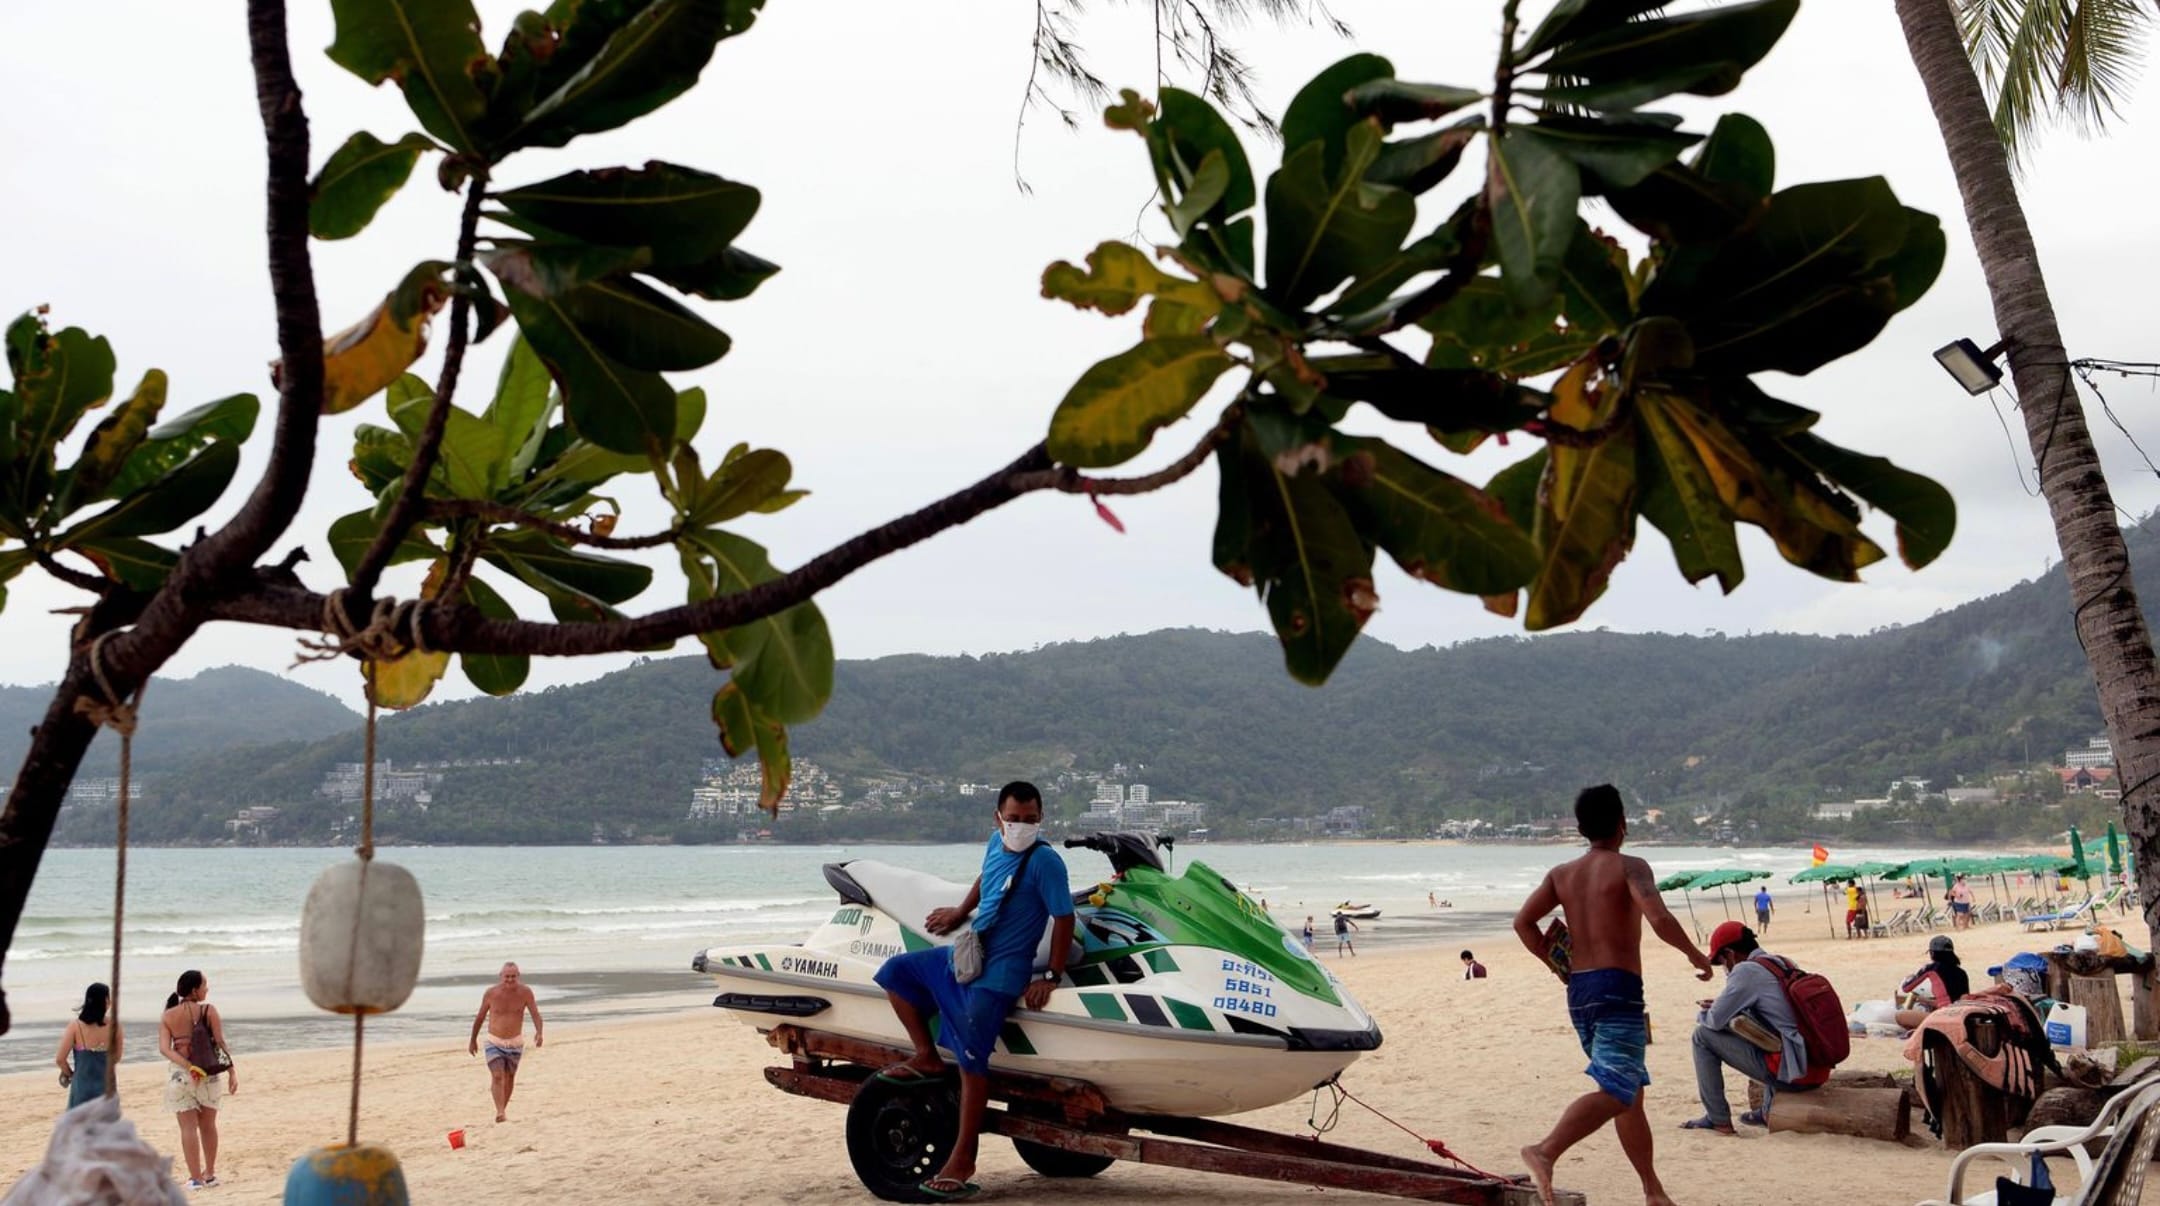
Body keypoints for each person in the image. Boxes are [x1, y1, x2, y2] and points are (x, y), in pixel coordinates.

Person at [872, 781, 1074, 1201]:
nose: (1022, 826)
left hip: (1001, 973)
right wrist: (961, 911)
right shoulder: (995, 842)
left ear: (1042, 818)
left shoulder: (1047, 862)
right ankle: (927, 1056)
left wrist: (1051, 977)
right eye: (1014, 818)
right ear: (998, 817)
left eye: (1031, 819)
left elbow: (1064, 917)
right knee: (896, 974)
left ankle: (963, 1157)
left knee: (972, 1061)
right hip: (969, 954)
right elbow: (989, 875)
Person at [1513, 785, 1712, 1206]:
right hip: (1619, 989)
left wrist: (1558, 964)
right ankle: (1545, 1151)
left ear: (1583, 828)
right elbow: (1658, 917)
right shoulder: (1630, 866)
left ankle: (1652, 1191)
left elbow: (1524, 924)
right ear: (1623, 824)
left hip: (1581, 992)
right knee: (1618, 1088)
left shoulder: (1561, 874)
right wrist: (1697, 955)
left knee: (1629, 1092)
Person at [1683, 922, 1808, 1135]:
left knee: (1702, 1036)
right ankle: (1767, 1109)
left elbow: (1713, 1022)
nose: (1724, 969)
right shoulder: (1781, 963)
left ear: (1730, 954)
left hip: (1792, 1073)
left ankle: (1717, 1119)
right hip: (1809, 1064)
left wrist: (1708, 1011)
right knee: (1764, 1031)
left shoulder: (1745, 971)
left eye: (1721, 962)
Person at [160, 970, 235, 1191]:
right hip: (209, 1073)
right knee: (209, 1125)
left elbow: (164, 1049)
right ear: (195, 990)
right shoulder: (209, 1010)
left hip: (181, 1075)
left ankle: (195, 1179)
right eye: (204, 985)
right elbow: (220, 1042)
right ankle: (210, 1174)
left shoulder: (168, 1015)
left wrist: (187, 1066)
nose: (207, 989)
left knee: (188, 1128)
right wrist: (232, 1071)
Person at [469, 962, 544, 1123]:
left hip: (515, 1042)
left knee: (509, 1077)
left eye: (513, 976)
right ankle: (500, 1111)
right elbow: (480, 1017)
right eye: (507, 976)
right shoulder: (491, 993)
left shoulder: (525, 993)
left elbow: (535, 1014)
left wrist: (539, 1032)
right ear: (500, 976)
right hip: (494, 1041)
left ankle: (503, 1109)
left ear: (518, 976)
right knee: (497, 1076)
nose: (510, 980)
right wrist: (472, 1040)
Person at [55, 982, 121, 1112]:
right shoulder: (115, 1026)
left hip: (82, 1087)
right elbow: (117, 1058)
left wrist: (71, 1074)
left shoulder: (75, 1026)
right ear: (106, 1001)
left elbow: (60, 1059)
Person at [1894, 935, 1971, 1028]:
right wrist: (1926, 1001)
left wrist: (1910, 977)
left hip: (1944, 1016)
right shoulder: (1962, 972)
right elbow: (1956, 1000)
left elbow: (1906, 988)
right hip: (1959, 1015)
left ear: (1932, 953)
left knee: (1900, 1016)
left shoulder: (1932, 968)